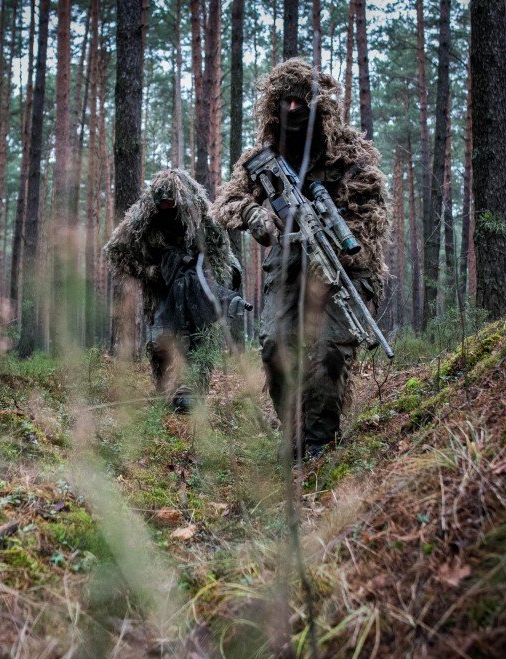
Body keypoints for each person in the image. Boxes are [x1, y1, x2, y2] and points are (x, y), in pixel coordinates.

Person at [211, 58, 390, 458]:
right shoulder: (263, 158)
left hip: (343, 267)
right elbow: (226, 201)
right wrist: (253, 214)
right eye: (285, 102)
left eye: (301, 103)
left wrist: (334, 234)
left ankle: (319, 444)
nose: (292, 111)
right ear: (274, 106)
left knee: (327, 352)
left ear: (319, 108)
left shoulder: (349, 157)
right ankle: (292, 438)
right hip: (288, 266)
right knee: (275, 347)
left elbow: (371, 217)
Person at [104, 168, 248, 413]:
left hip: (198, 291)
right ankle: (166, 396)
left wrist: (210, 282)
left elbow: (224, 257)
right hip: (162, 292)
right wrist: (148, 271)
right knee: (162, 344)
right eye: (164, 205)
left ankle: (192, 398)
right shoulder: (142, 219)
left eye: (174, 204)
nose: (169, 210)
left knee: (200, 341)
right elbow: (115, 251)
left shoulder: (205, 220)